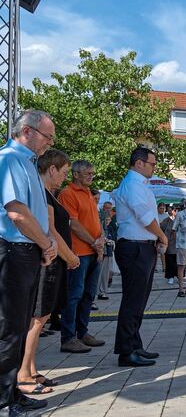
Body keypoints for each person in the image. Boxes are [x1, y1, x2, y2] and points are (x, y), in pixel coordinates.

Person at [0, 110, 58, 416]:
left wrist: (44, 245)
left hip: (27, 250)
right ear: (27, 131)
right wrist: (46, 242)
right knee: (9, 328)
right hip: (13, 250)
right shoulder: (10, 159)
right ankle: (3, 400)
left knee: (19, 326)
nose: (50, 143)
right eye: (47, 136)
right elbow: (18, 213)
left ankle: (11, 393)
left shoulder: (27, 164)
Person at [17, 150, 80, 395]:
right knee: (38, 319)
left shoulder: (48, 195)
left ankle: (31, 369)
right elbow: (51, 231)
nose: (65, 178)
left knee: (40, 318)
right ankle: (23, 373)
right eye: (64, 172)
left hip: (52, 261)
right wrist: (71, 257)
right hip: (50, 263)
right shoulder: (43, 196)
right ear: (51, 169)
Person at [113, 146, 168, 367]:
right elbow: (145, 218)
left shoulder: (139, 184)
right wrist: (163, 236)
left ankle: (134, 344)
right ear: (139, 163)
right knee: (132, 300)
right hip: (134, 247)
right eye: (152, 164)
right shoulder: (133, 185)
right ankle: (127, 351)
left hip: (142, 246)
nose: (154, 167)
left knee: (139, 301)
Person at [58, 160, 105, 353]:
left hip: (93, 252)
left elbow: (96, 221)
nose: (91, 176)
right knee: (74, 295)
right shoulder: (68, 194)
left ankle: (82, 332)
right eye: (88, 173)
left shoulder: (88, 194)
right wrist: (94, 242)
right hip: (78, 253)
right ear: (75, 174)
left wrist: (101, 239)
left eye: (92, 173)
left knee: (88, 295)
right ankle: (68, 337)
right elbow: (73, 224)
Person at [97, 211, 117, 300]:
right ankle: (96, 293)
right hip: (101, 252)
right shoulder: (100, 228)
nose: (108, 221)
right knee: (98, 274)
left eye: (109, 219)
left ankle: (103, 291)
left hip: (108, 252)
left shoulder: (110, 228)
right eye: (106, 219)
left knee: (105, 274)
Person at [161, 206, 177, 284]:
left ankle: (179, 276)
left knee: (180, 262)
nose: (175, 212)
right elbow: (161, 229)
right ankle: (170, 277)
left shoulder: (182, 220)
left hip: (180, 243)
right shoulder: (166, 220)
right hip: (169, 243)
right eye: (174, 210)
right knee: (170, 261)